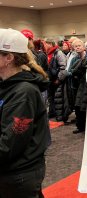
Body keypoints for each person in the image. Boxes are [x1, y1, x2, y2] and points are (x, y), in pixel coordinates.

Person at [0, 28, 51, 197]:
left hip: (18, 175)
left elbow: (9, 144)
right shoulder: (7, 86)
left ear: (9, 58)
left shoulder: (23, 92)